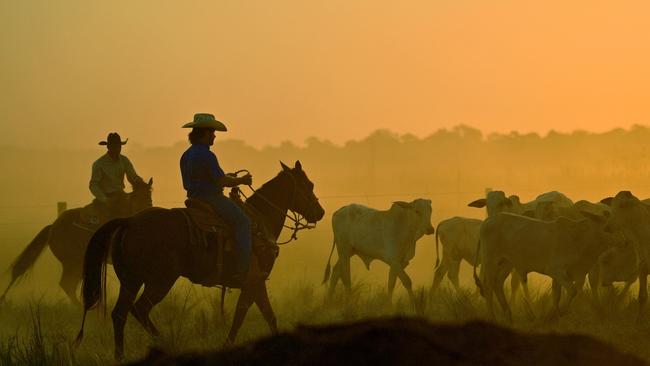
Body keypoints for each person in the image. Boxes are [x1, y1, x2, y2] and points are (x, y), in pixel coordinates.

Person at [180, 113, 254, 284]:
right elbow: (221, 180)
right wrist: (241, 180)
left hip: (193, 198)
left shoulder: (186, 155)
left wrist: (225, 177)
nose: (214, 135)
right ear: (205, 133)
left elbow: (191, 182)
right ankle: (244, 268)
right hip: (211, 199)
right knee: (243, 221)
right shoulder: (207, 155)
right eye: (212, 132)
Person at [89, 132, 144, 218]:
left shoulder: (124, 160)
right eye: (114, 146)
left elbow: (132, 176)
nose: (117, 149)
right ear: (108, 147)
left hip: (121, 196)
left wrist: (141, 183)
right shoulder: (99, 164)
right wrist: (105, 200)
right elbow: (93, 185)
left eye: (118, 146)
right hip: (107, 197)